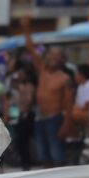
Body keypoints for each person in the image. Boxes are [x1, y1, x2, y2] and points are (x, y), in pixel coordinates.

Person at [21, 17, 70, 168]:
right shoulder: (42, 71)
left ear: (62, 60)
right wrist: (26, 28)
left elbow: (69, 103)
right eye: (51, 55)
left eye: (57, 56)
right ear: (47, 57)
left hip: (55, 119)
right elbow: (30, 48)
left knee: (57, 155)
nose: (54, 58)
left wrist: (66, 124)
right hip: (40, 118)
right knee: (43, 155)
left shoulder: (64, 78)